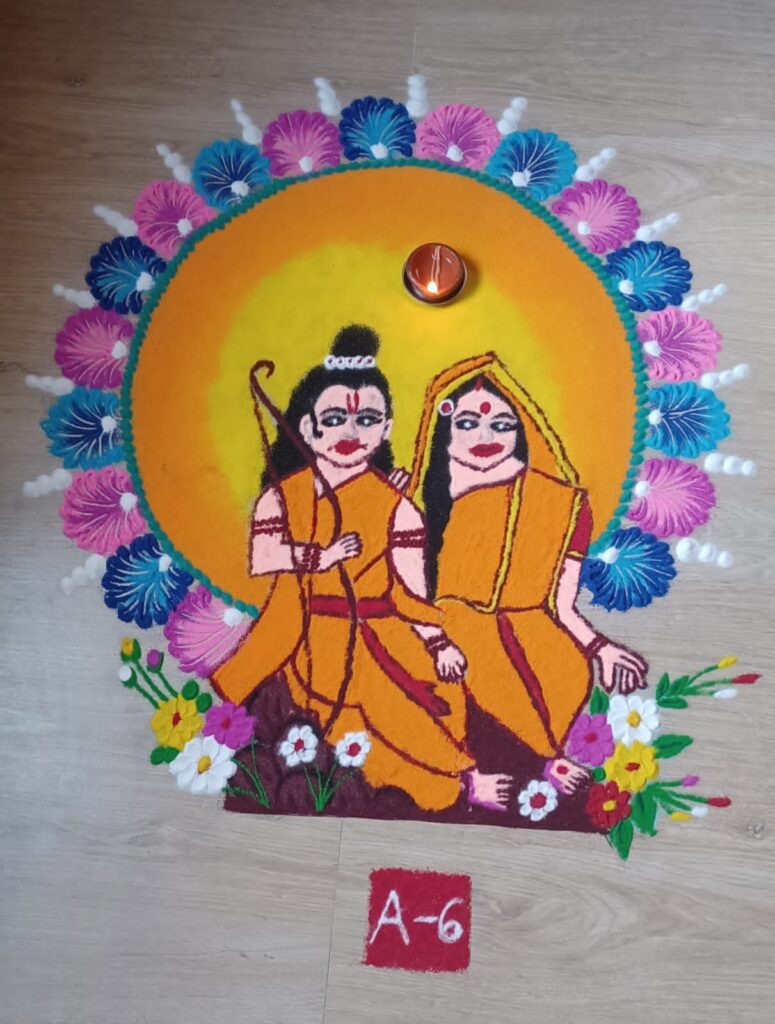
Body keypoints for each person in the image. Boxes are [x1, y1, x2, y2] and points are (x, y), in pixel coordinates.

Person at [211, 325, 506, 811]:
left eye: (366, 419)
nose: (350, 433)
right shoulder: (280, 497)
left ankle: (451, 779)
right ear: (309, 428)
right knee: (369, 702)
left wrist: (437, 642)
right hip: (309, 633)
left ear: (386, 428)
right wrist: (319, 557)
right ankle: (459, 780)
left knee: (436, 690)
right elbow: (263, 557)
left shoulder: (398, 508)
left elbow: (411, 591)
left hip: (383, 626)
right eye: (334, 419)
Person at [409, 353, 647, 808]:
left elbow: (562, 605)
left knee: (565, 670)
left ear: (522, 431)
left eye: (501, 425)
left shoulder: (561, 503)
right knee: (462, 673)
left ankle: (545, 755)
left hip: (535, 627)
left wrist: (600, 647)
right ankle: (527, 763)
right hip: (443, 628)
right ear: (443, 429)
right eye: (467, 424)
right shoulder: (416, 501)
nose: (485, 437)